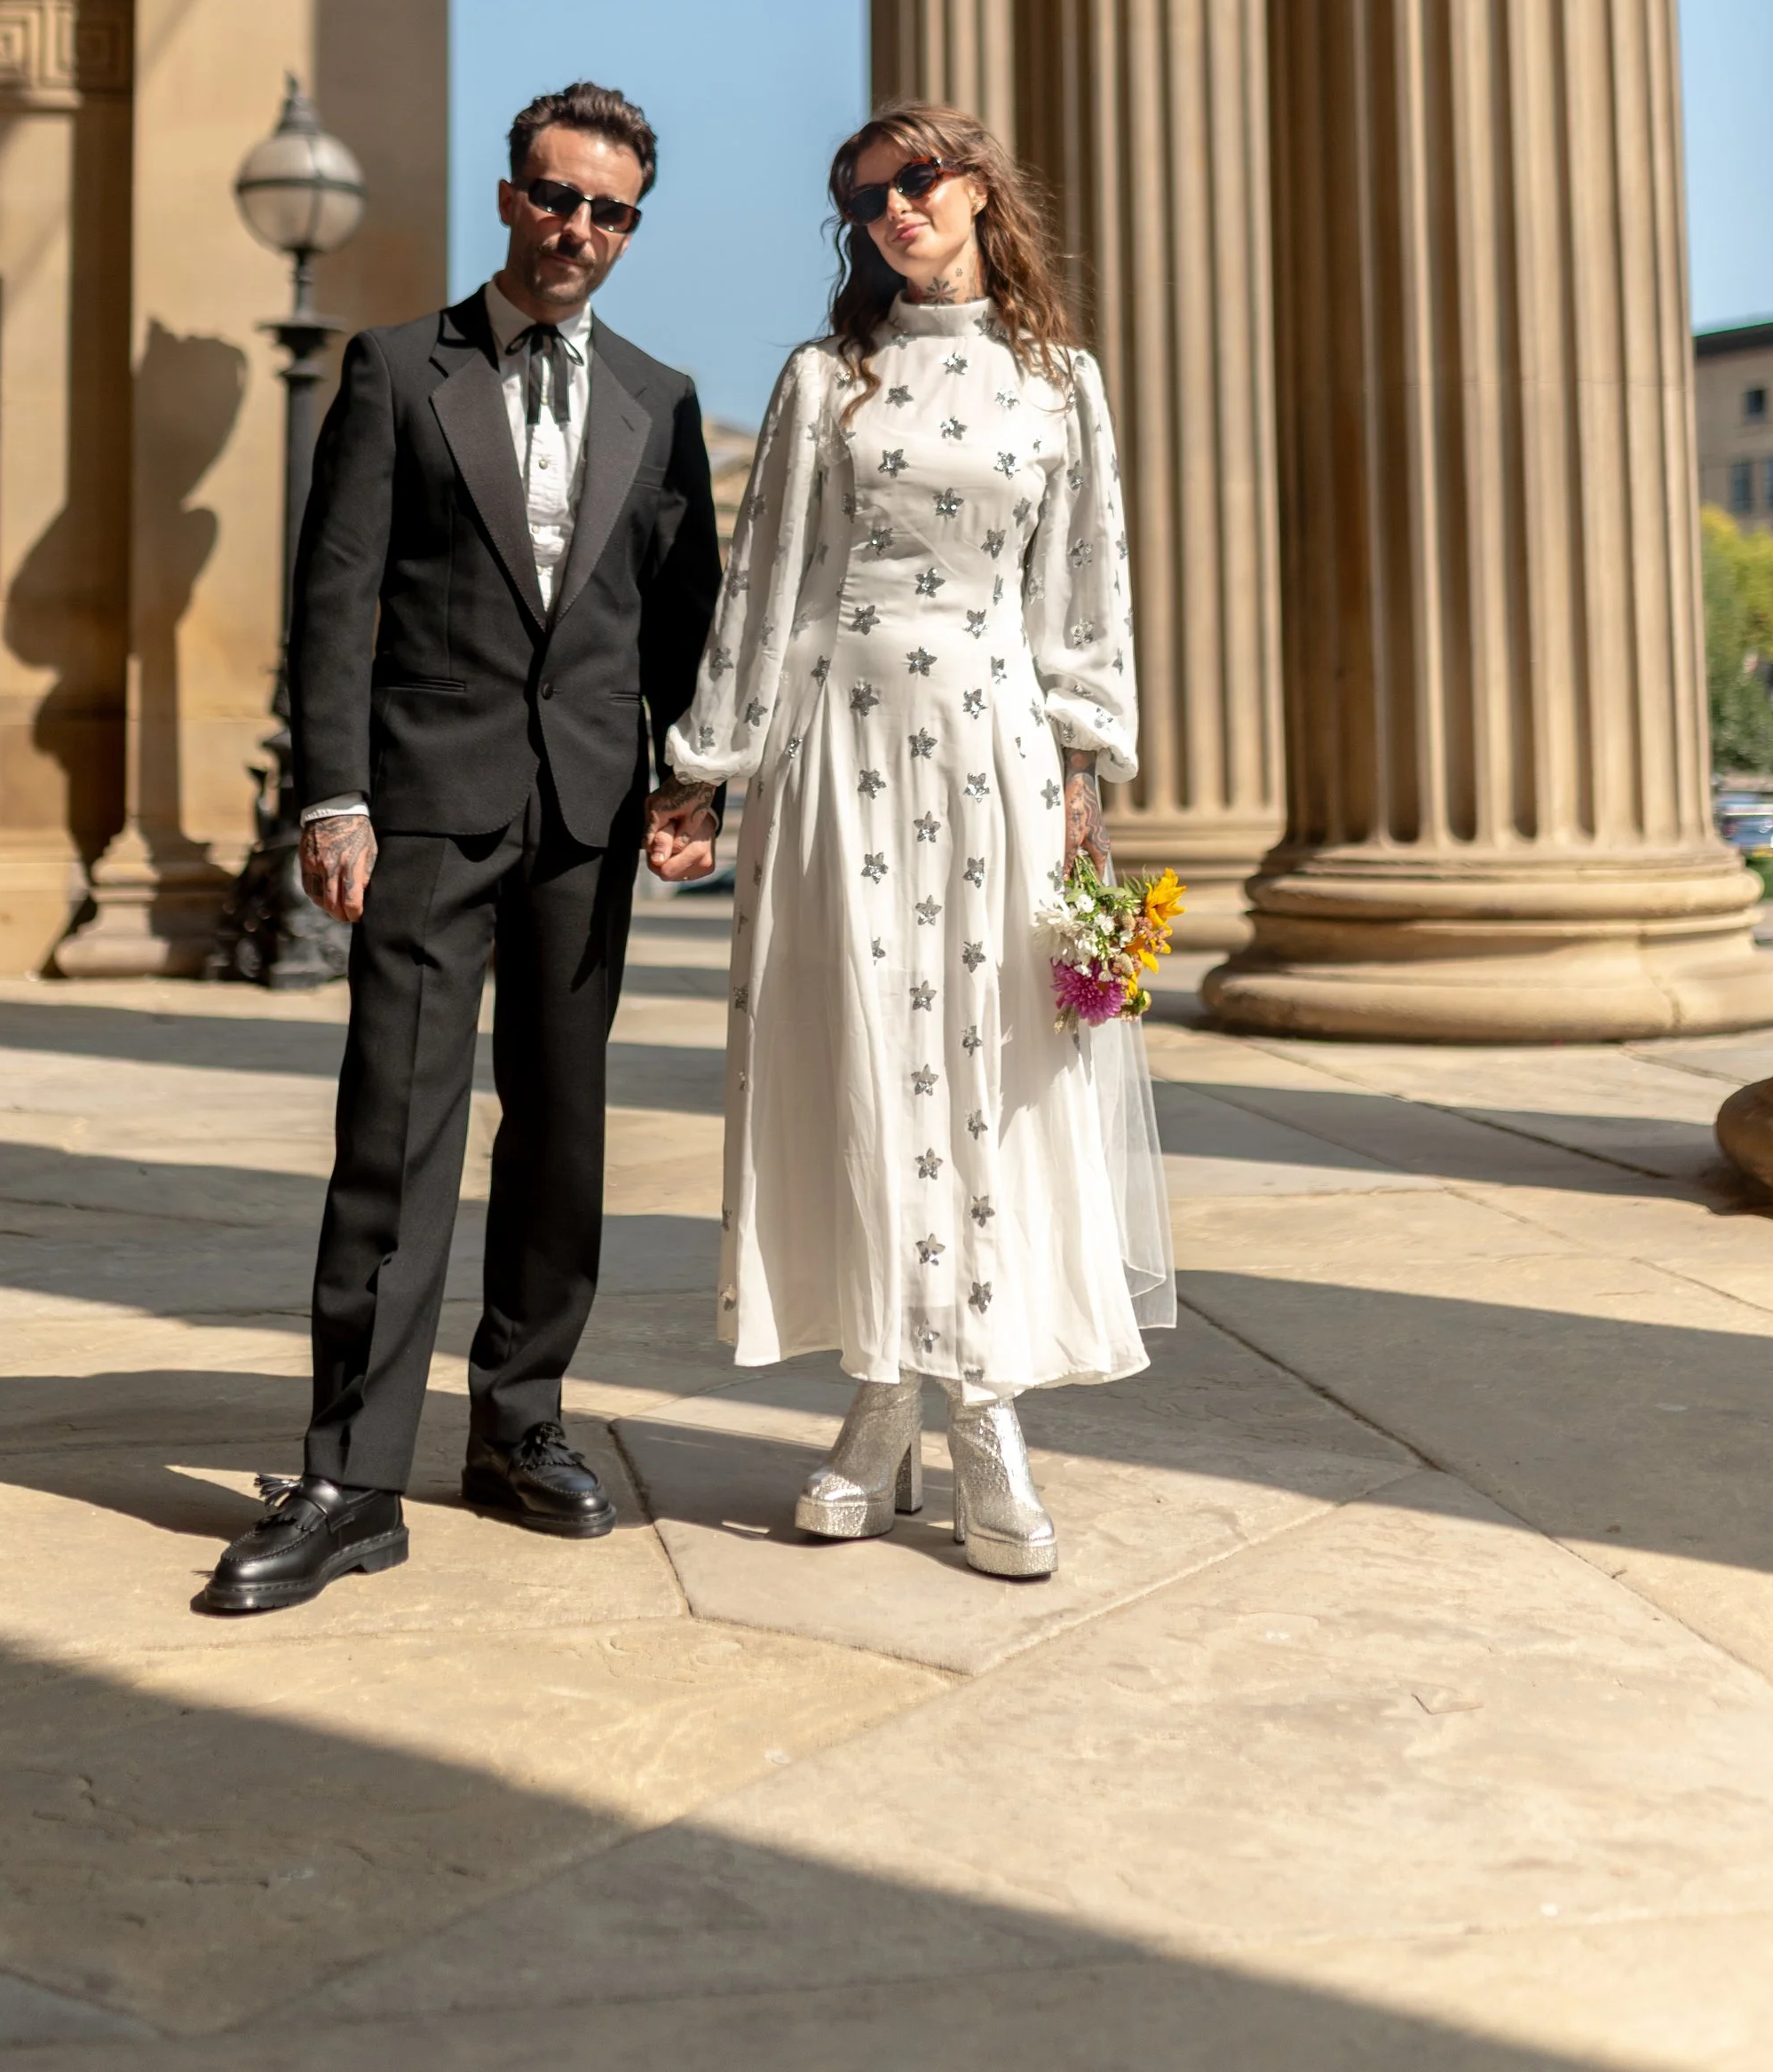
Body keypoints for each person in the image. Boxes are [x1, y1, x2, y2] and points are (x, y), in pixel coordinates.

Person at [202, 82, 720, 1615]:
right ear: (509, 197)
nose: (578, 231)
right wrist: (334, 795)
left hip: (587, 817)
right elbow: (336, 598)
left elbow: (683, 620)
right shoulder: (392, 370)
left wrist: (693, 789)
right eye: (557, 199)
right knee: (397, 1132)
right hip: (422, 807)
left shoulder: (661, 396)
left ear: (632, 228)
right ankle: (354, 1475)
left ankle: (520, 1424)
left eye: (609, 212)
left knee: (563, 1135)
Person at [645, 105, 1173, 1580]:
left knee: (991, 1064)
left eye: (915, 182)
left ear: (983, 190)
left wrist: (1083, 772)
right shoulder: (829, 377)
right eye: (863, 197)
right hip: (844, 755)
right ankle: (883, 1394)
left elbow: (1088, 590)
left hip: (997, 749)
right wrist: (706, 771)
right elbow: (771, 589)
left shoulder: (1062, 384)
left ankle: (984, 1408)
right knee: (869, 1056)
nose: (892, 210)